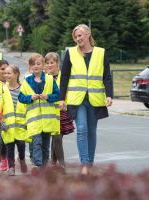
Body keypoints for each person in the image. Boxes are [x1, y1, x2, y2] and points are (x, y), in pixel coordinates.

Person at [59, 24, 113, 175]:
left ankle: (90, 163)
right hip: (77, 99)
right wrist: (61, 99)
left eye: (80, 35)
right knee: (81, 129)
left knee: (91, 131)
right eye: (76, 37)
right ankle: (84, 164)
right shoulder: (70, 53)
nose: (78, 38)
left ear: (88, 34)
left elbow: (107, 76)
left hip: (94, 98)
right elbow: (64, 77)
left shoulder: (101, 53)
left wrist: (109, 95)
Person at [18, 53, 60, 171]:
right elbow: (21, 97)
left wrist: (48, 97)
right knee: (37, 142)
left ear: (43, 66)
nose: (35, 66)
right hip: (34, 119)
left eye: (38, 64)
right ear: (30, 67)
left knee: (46, 144)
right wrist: (30, 98)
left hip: (47, 120)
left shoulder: (50, 79)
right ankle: (38, 163)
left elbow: (57, 95)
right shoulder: (27, 81)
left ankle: (44, 165)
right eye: (33, 64)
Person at [45, 52, 75, 167]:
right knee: (56, 136)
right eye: (47, 63)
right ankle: (61, 164)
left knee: (57, 137)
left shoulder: (64, 76)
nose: (49, 65)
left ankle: (53, 162)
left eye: (51, 63)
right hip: (49, 111)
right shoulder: (44, 78)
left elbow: (69, 92)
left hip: (62, 110)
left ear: (57, 63)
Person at [4, 64, 28, 176]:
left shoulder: (23, 88)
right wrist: (2, 122)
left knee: (21, 144)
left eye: (9, 73)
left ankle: (22, 159)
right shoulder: (3, 89)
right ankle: (11, 167)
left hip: (21, 123)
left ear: (16, 74)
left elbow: (27, 104)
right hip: (8, 124)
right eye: (5, 73)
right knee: (10, 146)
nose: (6, 75)